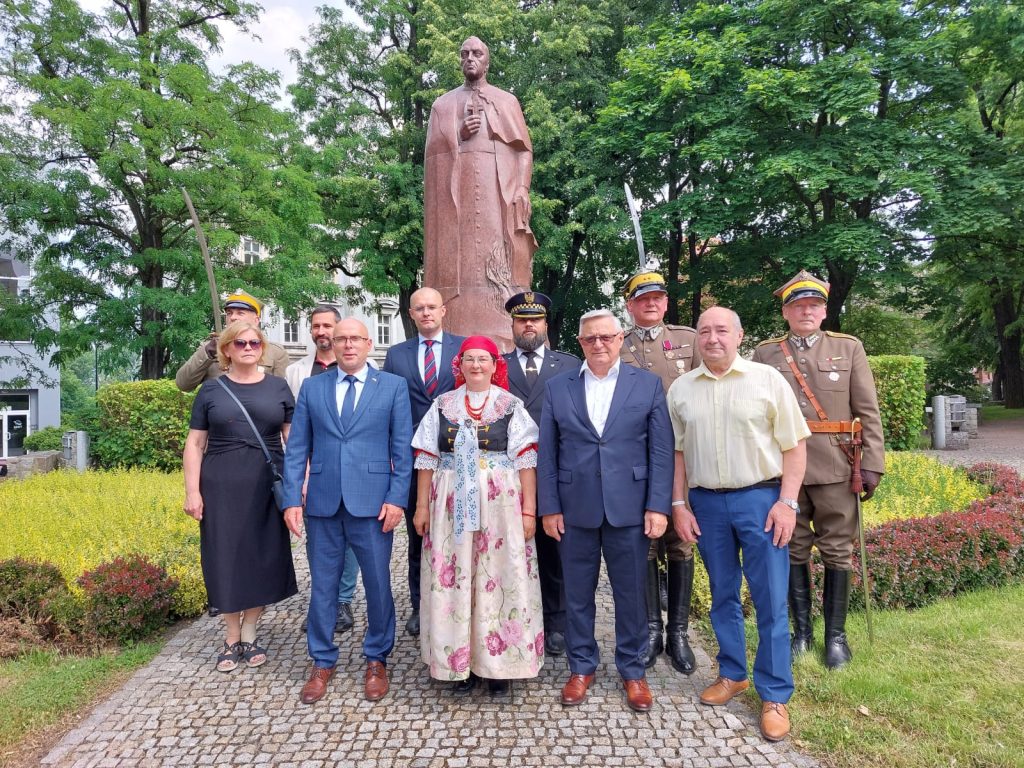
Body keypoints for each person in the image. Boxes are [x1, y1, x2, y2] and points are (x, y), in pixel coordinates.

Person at [667, 306, 810, 742]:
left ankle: (774, 694)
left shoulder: (767, 381)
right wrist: (678, 503)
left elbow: (794, 446)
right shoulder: (681, 390)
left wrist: (787, 503)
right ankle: (733, 673)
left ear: (739, 335)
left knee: (769, 600)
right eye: (705, 331)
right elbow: (677, 453)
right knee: (722, 596)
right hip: (707, 505)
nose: (712, 338)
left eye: (721, 330)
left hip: (761, 501)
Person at [537, 309, 672, 713]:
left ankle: (633, 671)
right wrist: (549, 507)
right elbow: (547, 452)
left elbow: (661, 451)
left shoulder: (647, 385)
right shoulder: (558, 387)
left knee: (631, 594)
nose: (598, 344)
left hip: (629, 508)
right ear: (580, 343)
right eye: (590, 338)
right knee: (577, 594)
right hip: (574, 508)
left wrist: (657, 505)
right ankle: (582, 666)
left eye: (606, 337)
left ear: (620, 339)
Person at [751, 270, 885, 669]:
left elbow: (867, 411)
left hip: (835, 464)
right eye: (797, 305)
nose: (805, 311)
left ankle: (836, 638)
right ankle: (802, 633)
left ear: (824, 310)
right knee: (791, 548)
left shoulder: (849, 348)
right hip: (781, 467)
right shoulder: (766, 353)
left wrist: (873, 464)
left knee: (837, 549)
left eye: (813, 305)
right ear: (786, 311)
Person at [281, 318, 412, 705]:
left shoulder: (392, 387)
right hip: (322, 502)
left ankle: (377, 658)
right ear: (332, 345)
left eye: (355, 338)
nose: (348, 345)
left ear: (370, 344)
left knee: (377, 583)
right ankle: (321, 660)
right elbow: (297, 448)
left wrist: (396, 498)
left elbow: (402, 449)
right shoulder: (312, 386)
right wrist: (291, 499)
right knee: (322, 586)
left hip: (373, 504)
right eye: (342, 339)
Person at [411, 335, 544, 697]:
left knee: (498, 576)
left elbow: (526, 460)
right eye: (468, 360)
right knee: (455, 578)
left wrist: (529, 510)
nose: (476, 366)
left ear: (494, 365)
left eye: (483, 359)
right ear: (460, 365)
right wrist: (421, 506)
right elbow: (426, 457)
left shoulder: (510, 405)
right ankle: (460, 663)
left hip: (501, 508)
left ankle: (498, 667)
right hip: (450, 507)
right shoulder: (443, 405)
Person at [183, 320, 297, 673]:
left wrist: (298, 487)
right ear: (227, 350)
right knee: (225, 557)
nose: (248, 348)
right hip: (220, 484)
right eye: (240, 343)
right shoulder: (211, 392)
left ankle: (250, 629)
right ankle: (231, 635)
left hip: (266, 484)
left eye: (255, 343)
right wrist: (192, 491)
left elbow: (292, 441)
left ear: (262, 347)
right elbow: (195, 443)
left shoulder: (279, 387)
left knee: (261, 556)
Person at [423, 36, 537, 348]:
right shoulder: (443, 105)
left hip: (496, 198)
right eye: (464, 54)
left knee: (500, 263)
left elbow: (524, 151)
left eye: (477, 53)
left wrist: (523, 189)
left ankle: (502, 325)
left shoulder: (506, 101)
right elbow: (431, 161)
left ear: (487, 61)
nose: (470, 58)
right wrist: (458, 136)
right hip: (455, 202)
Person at [619, 271, 700, 674]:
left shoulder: (689, 341)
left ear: (666, 303)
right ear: (630, 304)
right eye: (642, 298)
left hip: (684, 454)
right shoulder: (618, 345)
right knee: (646, 543)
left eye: (657, 298)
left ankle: (679, 634)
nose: (651, 304)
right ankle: (651, 631)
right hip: (640, 457)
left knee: (680, 542)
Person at [383, 287, 466, 637]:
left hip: (458, 455)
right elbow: (389, 406)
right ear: (412, 313)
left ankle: (461, 602)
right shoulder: (396, 355)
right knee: (419, 535)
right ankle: (420, 607)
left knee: (460, 531)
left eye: (432, 307)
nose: (427, 313)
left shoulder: (464, 348)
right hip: (413, 456)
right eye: (420, 308)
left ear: (443, 311)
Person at [501, 291, 578, 657]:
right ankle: (511, 618)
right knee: (508, 551)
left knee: (554, 549)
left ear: (546, 324)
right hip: (505, 475)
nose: (528, 325)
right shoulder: (496, 366)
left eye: (535, 319)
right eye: (521, 319)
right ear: (513, 325)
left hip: (554, 470)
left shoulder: (568, 365)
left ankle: (557, 622)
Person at [285, 305, 360, 636]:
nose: (322, 332)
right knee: (320, 542)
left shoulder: (363, 369)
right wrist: (300, 476)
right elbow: (293, 431)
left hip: (353, 470)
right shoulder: (297, 372)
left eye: (328, 325)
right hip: (315, 471)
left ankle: (343, 599)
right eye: (316, 326)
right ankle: (323, 602)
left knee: (350, 544)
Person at [175, 290, 290, 391]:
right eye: (229, 313)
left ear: (256, 320)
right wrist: (208, 353)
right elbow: (183, 384)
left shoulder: (275, 352)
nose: (233, 317)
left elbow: (280, 393)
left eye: (240, 313)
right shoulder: (210, 348)